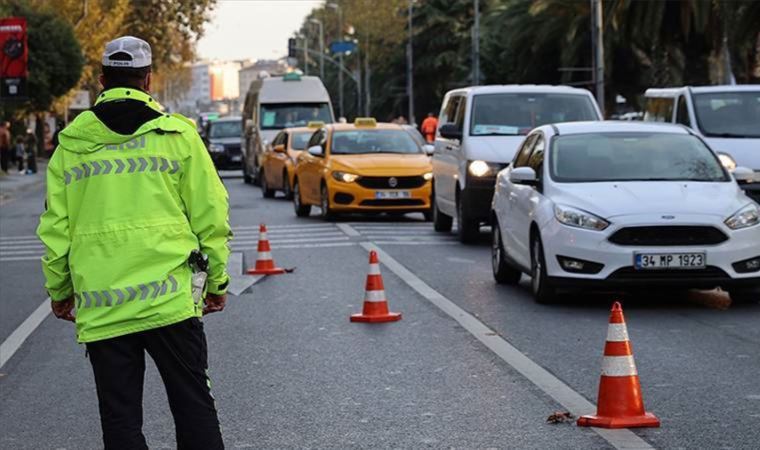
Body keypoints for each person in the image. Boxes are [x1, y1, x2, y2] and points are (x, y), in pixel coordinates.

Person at [37, 36, 230, 450]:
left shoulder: (71, 145)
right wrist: (218, 282)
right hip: (171, 303)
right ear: (148, 79)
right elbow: (211, 214)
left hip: (105, 308)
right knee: (194, 406)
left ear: (103, 79)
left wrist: (59, 291)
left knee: (120, 420)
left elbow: (55, 231)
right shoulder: (177, 135)